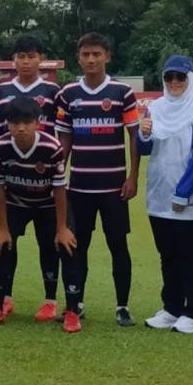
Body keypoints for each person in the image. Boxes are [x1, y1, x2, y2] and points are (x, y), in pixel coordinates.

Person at [54, 32, 140, 326]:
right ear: (78, 58)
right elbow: (64, 139)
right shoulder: (68, 94)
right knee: (78, 247)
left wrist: (133, 175)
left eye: (96, 54)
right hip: (79, 187)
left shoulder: (122, 92)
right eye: (86, 55)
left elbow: (133, 136)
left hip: (114, 187)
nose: (91, 59)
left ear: (107, 56)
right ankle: (75, 305)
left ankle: (122, 306)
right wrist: (59, 179)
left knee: (118, 246)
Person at [137, 55, 193, 334]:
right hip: (159, 194)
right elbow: (145, 149)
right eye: (169, 77)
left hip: (190, 198)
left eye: (180, 77)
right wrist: (143, 134)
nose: (174, 83)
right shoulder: (155, 108)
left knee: (191, 254)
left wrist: (183, 193)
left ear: (190, 79)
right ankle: (171, 308)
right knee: (167, 254)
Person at [0, 98, 79, 330]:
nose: (21, 128)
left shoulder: (51, 146)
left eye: (27, 122)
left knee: (64, 246)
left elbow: (58, 188)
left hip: (48, 204)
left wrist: (62, 228)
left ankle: (69, 310)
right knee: (1, 245)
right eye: (15, 123)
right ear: (8, 125)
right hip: (16, 203)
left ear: (37, 123)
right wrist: (3, 227)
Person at [0, 35, 61, 319]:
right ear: (13, 59)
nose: (26, 61)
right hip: (12, 181)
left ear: (40, 58)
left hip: (43, 181)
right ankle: (4, 298)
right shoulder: (0, 90)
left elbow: (62, 130)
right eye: (21, 56)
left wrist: (56, 165)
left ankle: (50, 301)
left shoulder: (53, 90)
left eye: (31, 55)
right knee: (6, 240)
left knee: (48, 242)